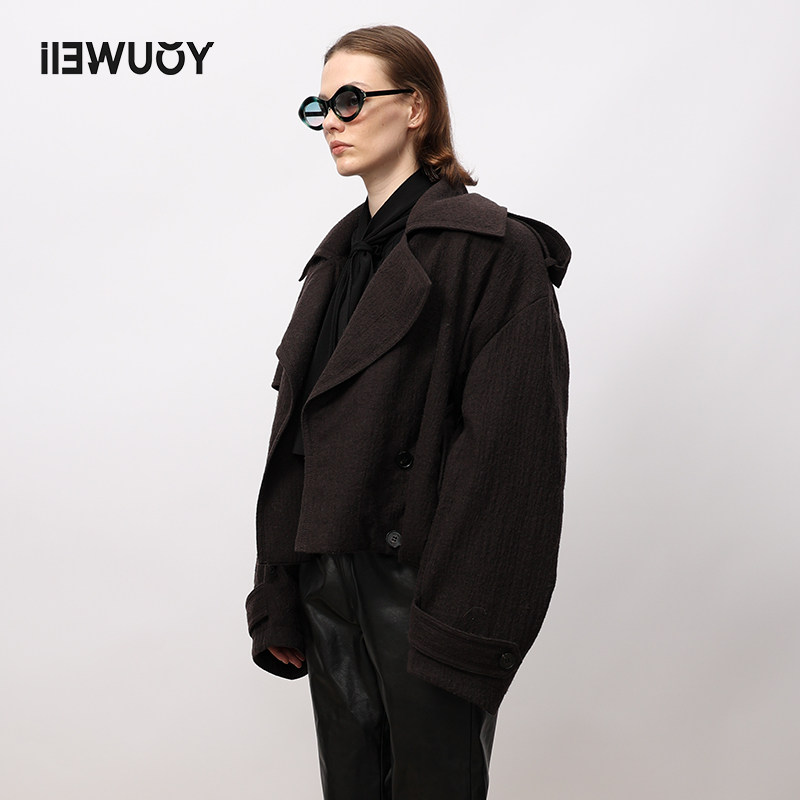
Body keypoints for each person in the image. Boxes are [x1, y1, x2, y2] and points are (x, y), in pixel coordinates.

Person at [245, 24, 571, 799]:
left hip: (426, 593)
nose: (332, 122)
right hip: (328, 582)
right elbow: (299, 443)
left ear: (416, 107)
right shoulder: (333, 265)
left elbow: (512, 463)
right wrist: (281, 592)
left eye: (351, 101)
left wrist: (460, 624)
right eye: (320, 107)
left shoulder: (492, 253)